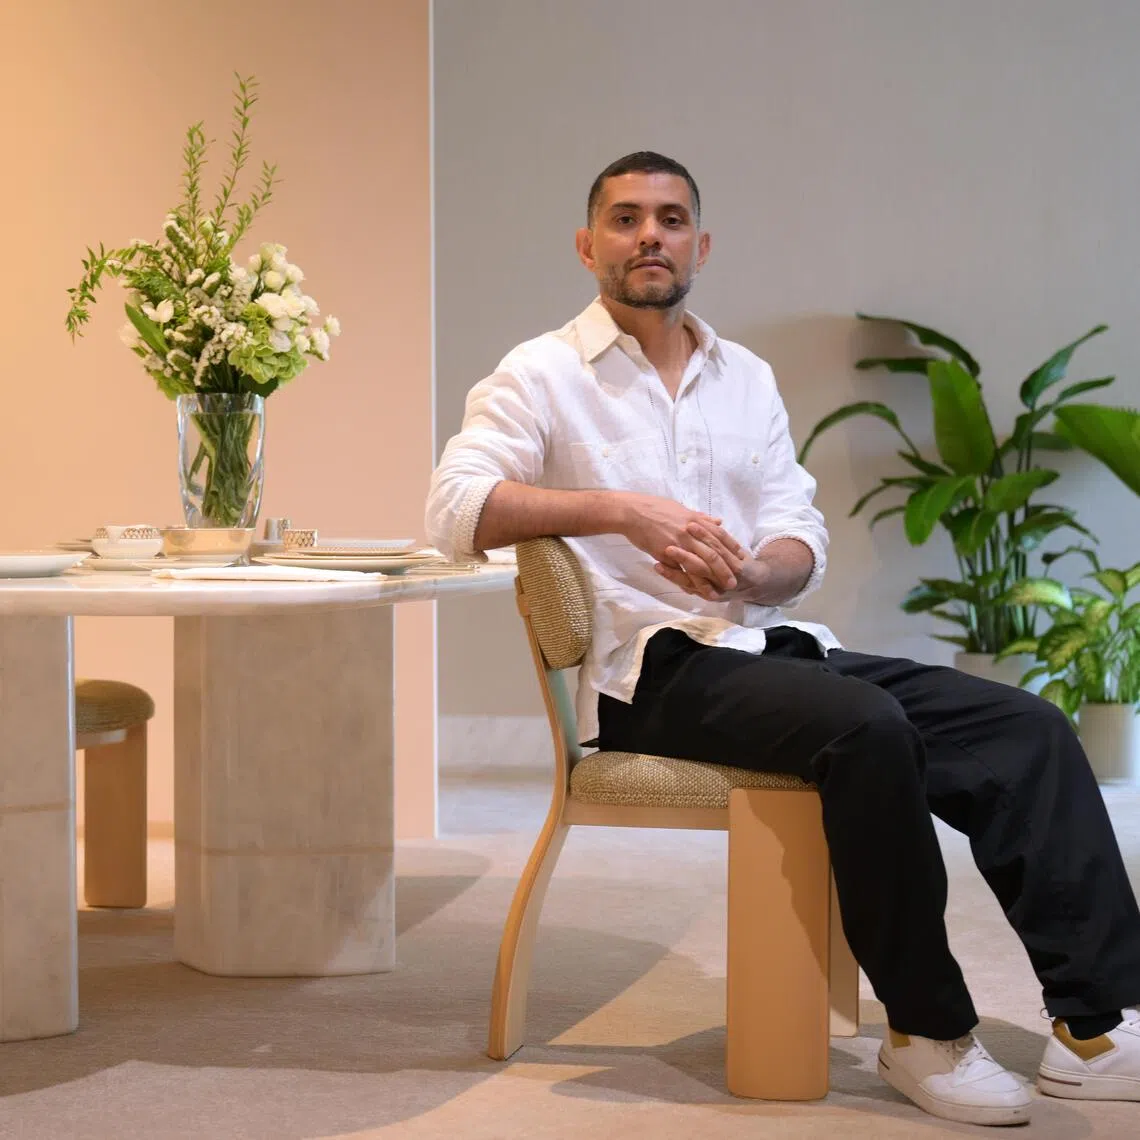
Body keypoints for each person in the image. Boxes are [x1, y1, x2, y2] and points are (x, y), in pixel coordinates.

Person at [425, 151, 1140, 1126]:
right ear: (588, 244)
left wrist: (765, 571)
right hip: (652, 671)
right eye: (627, 218)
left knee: (1026, 728)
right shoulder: (543, 373)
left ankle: (1097, 1027)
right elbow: (453, 507)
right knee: (867, 729)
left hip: (772, 644)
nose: (650, 237)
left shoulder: (744, 377)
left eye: (671, 219)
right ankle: (926, 1035)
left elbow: (798, 531)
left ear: (700, 245)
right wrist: (626, 513)